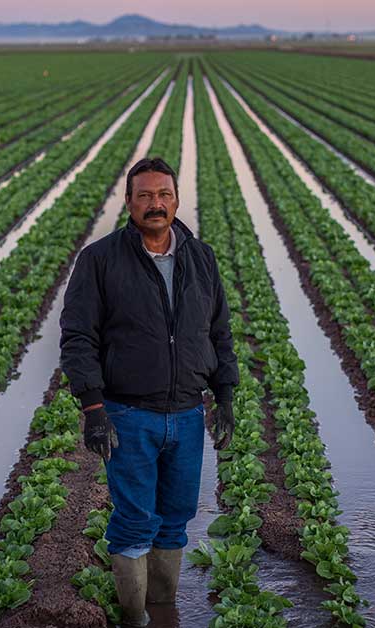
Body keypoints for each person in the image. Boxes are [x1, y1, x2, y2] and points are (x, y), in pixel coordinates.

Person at [60, 156, 238, 626]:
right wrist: (93, 407)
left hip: (186, 414)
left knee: (175, 520)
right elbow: (78, 337)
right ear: (128, 203)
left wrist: (226, 396)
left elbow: (218, 332)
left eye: (163, 195)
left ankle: (164, 611)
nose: (155, 204)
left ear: (176, 200)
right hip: (127, 414)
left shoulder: (201, 258)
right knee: (135, 522)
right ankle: (136, 618)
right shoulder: (100, 260)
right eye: (144, 196)